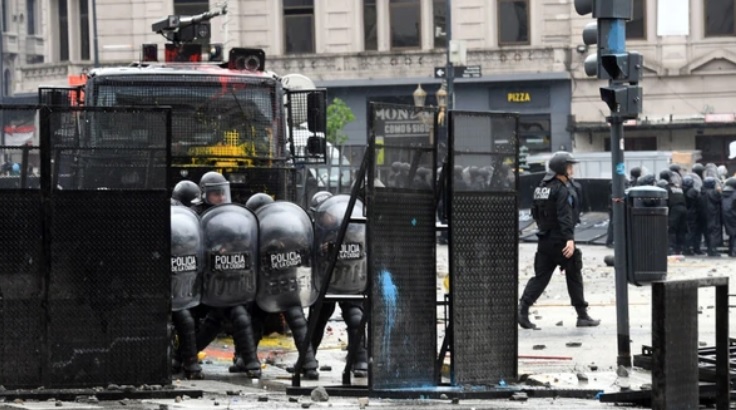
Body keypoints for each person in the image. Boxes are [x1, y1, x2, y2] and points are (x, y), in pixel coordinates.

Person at [518, 151, 599, 330]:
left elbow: (535, 213)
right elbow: (565, 216)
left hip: (545, 238)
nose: (572, 170)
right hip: (560, 239)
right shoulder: (561, 189)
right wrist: (569, 240)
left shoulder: (542, 187)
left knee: (541, 277)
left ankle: (522, 309)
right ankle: (582, 315)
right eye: (569, 166)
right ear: (562, 168)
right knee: (574, 273)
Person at [660, 170, 688, 255]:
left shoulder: (666, 187)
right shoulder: (677, 187)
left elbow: (665, 200)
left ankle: (671, 248)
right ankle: (680, 249)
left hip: (674, 209)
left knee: (672, 230)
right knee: (681, 230)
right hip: (683, 208)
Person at [700, 177, 723, 257]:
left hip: (703, 215)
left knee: (706, 232)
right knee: (714, 232)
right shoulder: (715, 193)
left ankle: (709, 249)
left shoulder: (702, 192)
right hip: (713, 214)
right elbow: (720, 200)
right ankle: (713, 250)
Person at [682, 176, 703, 255]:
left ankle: (687, 248)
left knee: (688, 231)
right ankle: (691, 248)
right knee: (693, 232)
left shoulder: (682, 190)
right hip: (694, 214)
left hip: (686, 213)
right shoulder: (693, 191)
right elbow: (699, 202)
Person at [722, 177, 736, 257]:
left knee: (732, 235)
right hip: (734, 216)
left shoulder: (723, 194)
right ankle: (734, 252)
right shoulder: (734, 194)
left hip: (727, 217)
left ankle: (731, 251)